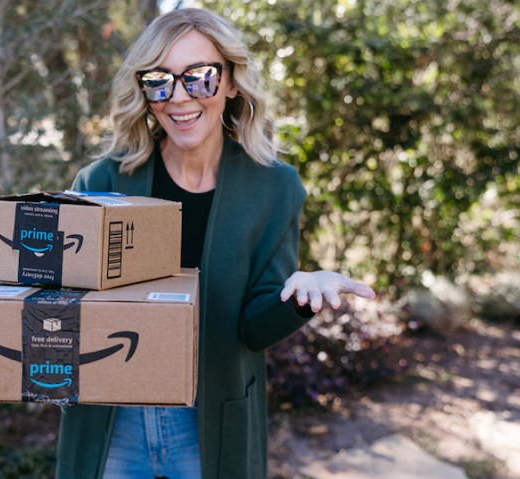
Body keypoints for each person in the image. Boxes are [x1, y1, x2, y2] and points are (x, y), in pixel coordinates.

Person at [59, 7, 375, 479]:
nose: (180, 97)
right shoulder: (102, 181)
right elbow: (71, 309)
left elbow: (253, 329)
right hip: (113, 421)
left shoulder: (273, 188)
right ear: (146, 93)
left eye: (200, 77)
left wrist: (299, 298)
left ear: (230, 82)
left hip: (207, 423)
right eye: (160, 80)